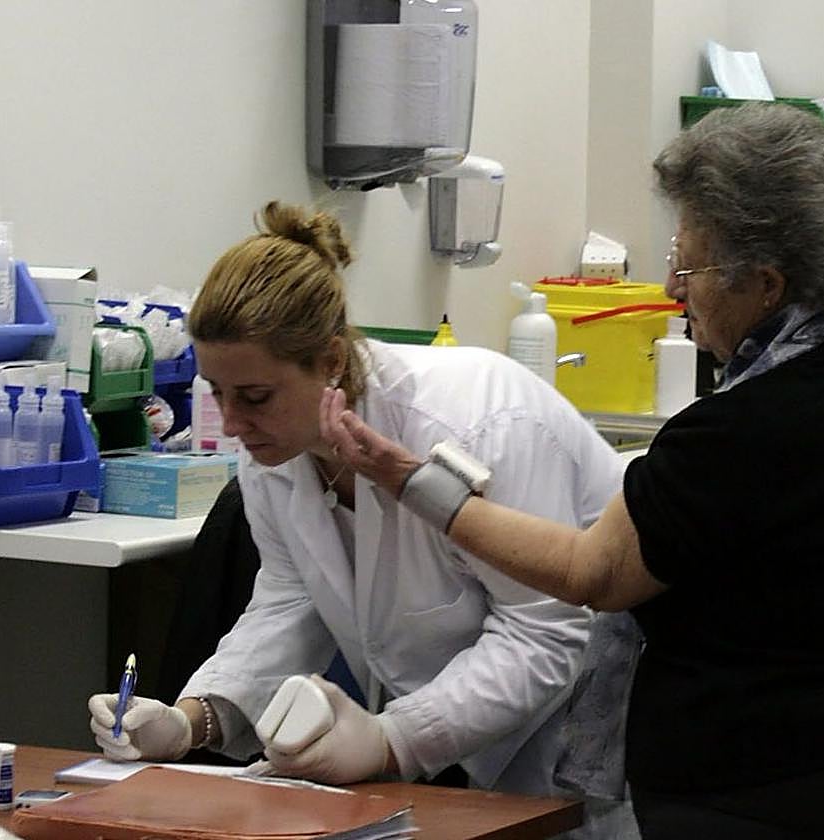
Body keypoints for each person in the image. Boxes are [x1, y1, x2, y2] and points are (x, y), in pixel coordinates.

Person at [318, 103, 824, 840]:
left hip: (773, 794)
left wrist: (411, 482)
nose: (672, 291)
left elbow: (591, 574)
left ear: (767, 284)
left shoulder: (732, 435)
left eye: (689, 265)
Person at [86, 201, 638, 835]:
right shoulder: (280, 454)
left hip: (586, 737)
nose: (232, 424)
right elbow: (291, 602)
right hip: (461, 764)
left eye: (255, 396)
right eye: (217, 394)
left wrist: (391, 739)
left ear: (328, 362)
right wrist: (195, 718)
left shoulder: (478, 421)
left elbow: (546, 633)